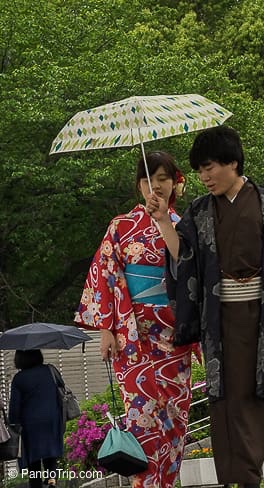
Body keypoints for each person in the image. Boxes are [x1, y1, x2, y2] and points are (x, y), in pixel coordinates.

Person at [166, 125, 264, 488]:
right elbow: (184, 260)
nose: (204, 177)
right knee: (224, 400)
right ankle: (231, 479)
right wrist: (162, 220)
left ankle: (249, 477)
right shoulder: (199, 211)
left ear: (233, 162)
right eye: (200, 170)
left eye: (210, 167)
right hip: (220, 322)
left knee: (256, 396)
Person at [74, 151, 195, 488]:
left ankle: (167, 482)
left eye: (163, 179)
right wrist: (106, 329)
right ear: (139, 185)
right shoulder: (120, 226)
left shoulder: (184, 225)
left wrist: (163, 222)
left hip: (174, 333)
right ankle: (142, 483)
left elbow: (189, 268)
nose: (155, 186)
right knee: (140, 417)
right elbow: (106, 276)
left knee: (174, 414)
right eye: (148, 180)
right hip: (132, 333)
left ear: (174, 184)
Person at [9, 349, 63, 488]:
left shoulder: (19, 379)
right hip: (52, 418)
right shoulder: (49, 371)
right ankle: (52, 481)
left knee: (33, 457)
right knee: (50, 452)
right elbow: (61, 389)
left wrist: (13, 425)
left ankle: (36, 484)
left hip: (30, 424)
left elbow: (14, 407)